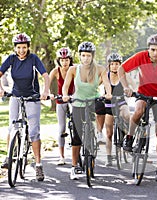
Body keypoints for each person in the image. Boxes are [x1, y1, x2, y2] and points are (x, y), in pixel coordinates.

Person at [118, 34, 157, 181]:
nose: (155, 53)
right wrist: (126, 87)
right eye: (152, 49)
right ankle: (129, 137)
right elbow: (122, 69)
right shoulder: (140, 56)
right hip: (143, 94)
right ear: (148, 49)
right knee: (139, 110)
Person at [0, 33, 50, 181]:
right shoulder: (11, 59)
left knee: (34, 132)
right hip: (16, 96)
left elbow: (45, 75)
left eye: (24, 47)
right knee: (11, 126)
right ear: (15, 48)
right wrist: (2, 89)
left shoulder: (33, 59)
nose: (21, 50)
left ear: (28, 47)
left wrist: (45, 91)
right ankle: (9, 158)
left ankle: (39, 165)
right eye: (19, 47)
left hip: (32, 97)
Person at [62, 41, 112, 180]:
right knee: (77, 137)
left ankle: (97, 133)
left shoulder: (100, 69)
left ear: (92, 56)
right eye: (83, 55)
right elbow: (66, 86)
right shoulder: (73, 70)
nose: (85, 58)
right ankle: (74, 167)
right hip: (78, 102)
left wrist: (108, 93)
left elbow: (106, 83)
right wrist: (65, 95)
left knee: (101, 107)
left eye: (88, 56)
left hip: (93, 101)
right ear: (79, 56)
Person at [102, 53, 135, 166]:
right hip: (109, 105)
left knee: (127, 115)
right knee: (109, 132)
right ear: (109, 65)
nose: (115, 66)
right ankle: (108, 157)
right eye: (112, 64)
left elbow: (133, 85)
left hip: (121, 102)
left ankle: (128, 137)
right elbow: (95, 86)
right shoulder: (105, 76)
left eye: (117, 64)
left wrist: (132, 91)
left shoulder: (124, 75)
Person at [49, 47, 74, 165]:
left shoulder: (75, 70)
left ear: (70, 60)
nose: (64, 62)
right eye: (62, 60)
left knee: (77, 125)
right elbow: (47, 82)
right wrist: (49, 93)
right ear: (59, 60)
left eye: (67, 60)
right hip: (60, 101)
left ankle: (79, 152)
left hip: (74, 100)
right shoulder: (55, 71)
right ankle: (61, 156)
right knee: (61, 128)